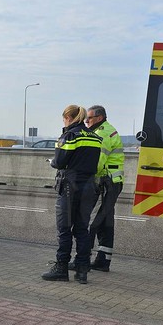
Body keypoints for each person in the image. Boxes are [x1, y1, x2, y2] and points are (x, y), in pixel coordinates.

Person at [42, 105, 102, 284]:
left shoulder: (69, 135)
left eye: (64, 118)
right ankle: (82, 270)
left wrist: (53, 162)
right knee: (82, 229)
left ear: (69, 117)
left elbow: (60, 162)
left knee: (65, 229)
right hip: (88, 186)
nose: (63, 121)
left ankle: (61, 268)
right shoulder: (95, 137)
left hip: (69, 186)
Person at [84, 105, 124, 272]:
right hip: (113, 182)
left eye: (89, 118)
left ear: (99, 118)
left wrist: (85, 174)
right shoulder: (107, 129)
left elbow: (98, 162)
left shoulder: (102, 133)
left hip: (105, 183)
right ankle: (103, 261)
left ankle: (82, 259)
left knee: (91, 221)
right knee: (106, 222)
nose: (86, 121)